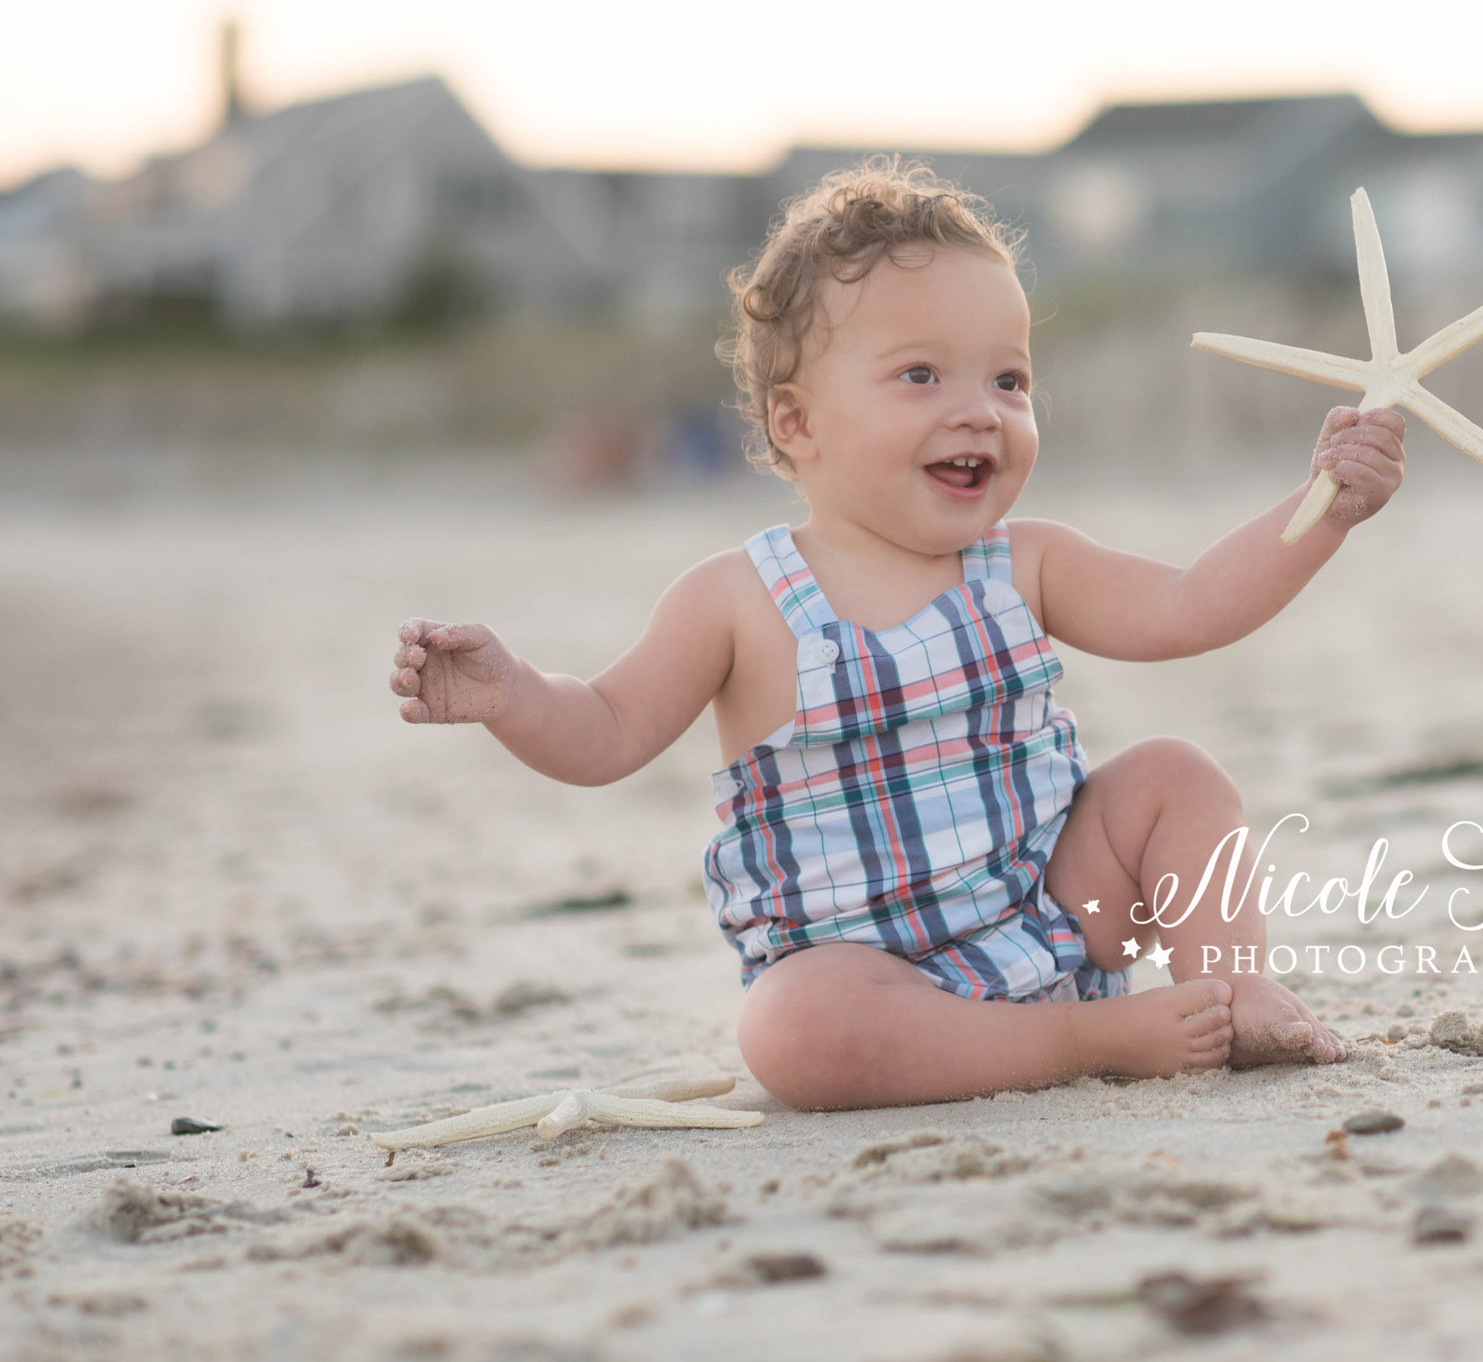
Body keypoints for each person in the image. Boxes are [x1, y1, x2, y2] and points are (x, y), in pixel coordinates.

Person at [385, 158, 1408, 1110]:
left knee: (1175, 778)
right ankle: (1094, 1039)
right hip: (870, 979)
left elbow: (1192, 603)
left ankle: (1230, 991)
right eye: (922, 376)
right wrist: (512, 694)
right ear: (797, 423)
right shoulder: (739, 597)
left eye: (1008, 381)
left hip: (1053, 917)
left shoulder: (1025, 561)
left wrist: (1324, 508)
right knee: (788, 1026)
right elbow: (605, 728)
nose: (979, 412)